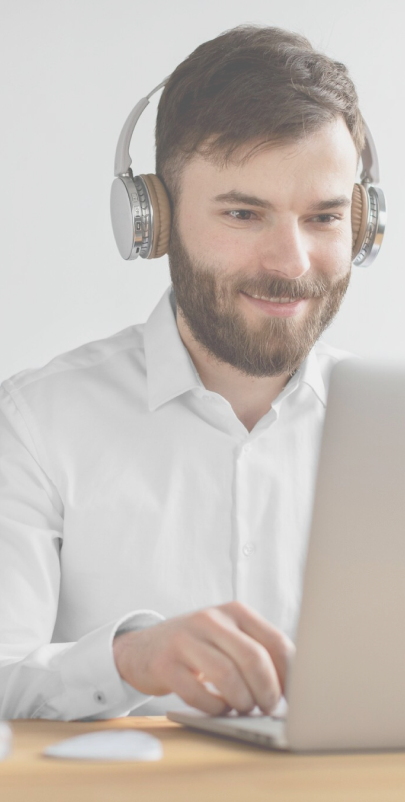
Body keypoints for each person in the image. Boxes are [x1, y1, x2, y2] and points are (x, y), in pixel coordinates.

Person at [0, 24, 364, 721]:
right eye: (242, 213)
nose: (291, 264)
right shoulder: (37, 425)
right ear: (154, 223)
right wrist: (127, 660)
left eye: (322, 217)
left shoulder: (391, 434)